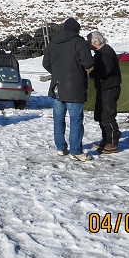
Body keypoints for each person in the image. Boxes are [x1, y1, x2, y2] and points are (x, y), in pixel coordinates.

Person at [42, 17, 94, 161]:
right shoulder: (79, 42)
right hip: (74, 87)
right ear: (76, 30)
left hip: (57, 86)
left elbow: (45, 62)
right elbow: (88, 62)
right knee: (76, 119)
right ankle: (76, 151)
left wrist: (57, 72)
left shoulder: (53, 42)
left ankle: (60, 148)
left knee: (58, 119)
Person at [88, 30, 122, 154]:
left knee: (108, 115)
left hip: (109, 88)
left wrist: (94, 73)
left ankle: (113, 142)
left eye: (89, 42)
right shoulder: (101, 52)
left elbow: (107, 70)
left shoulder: (105, 52)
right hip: (104, 88)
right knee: (101, 115)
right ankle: (106, 140)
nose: (88, 45)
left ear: (95, 42)